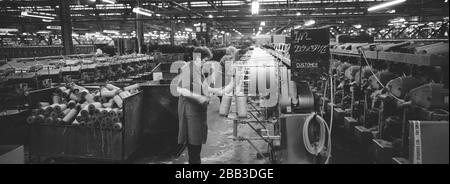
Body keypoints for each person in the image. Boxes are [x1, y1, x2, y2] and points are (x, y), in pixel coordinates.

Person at [176, 46, 235, 164]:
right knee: (193, 140)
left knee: (197, 138)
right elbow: (180, 89)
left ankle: (195, 161)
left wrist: (226, 88)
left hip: (197, 109)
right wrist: (198, 97)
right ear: (200, 58)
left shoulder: (198, 69)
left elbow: (206, 88)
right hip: (190, 110)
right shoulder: (189, 68)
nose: (206, 62)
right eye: (205, 60)